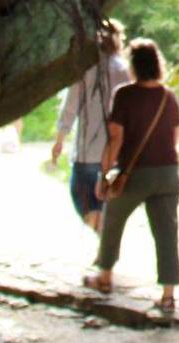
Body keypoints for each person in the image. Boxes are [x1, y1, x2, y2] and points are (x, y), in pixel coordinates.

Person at [83, 38, 179, 316]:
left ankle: (104, 275)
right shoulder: (168, 96)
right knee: (167, 233)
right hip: (168, 174)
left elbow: (116, 139)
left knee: (113, 218)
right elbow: (174, 139)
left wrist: (104, 174)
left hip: (135, 174)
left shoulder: (124, 94)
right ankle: (168, 294)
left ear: (134, 65)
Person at [51, 20, 130, 232]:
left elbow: (70, 107)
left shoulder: (85, 70)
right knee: (105, 203)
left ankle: (100, 236)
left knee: (82, 199)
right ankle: (102, 238)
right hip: (115, 152)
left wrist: (59, 140)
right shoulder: (124, 70)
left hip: (86, 150)